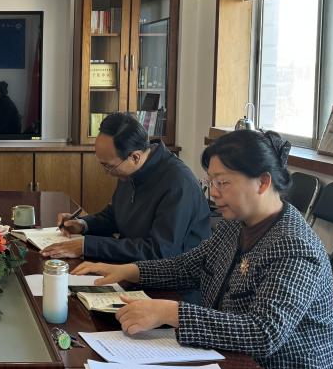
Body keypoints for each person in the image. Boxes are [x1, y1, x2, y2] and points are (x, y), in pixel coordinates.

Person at [74, 129, 333, 369]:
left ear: (263, 182)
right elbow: (189, 266)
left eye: (223, 183)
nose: (213, 194)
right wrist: (129, 270)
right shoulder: (236, 226)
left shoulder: (294, 247)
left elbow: (264, 332)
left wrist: (171, 312)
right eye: (211, 182)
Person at [42, 112, 210, 262]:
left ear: (135, 157)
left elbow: (160, 251)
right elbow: (115, 216)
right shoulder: (132, 169)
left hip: (171, 282)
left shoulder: (178, 184)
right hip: (131, 268)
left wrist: (87, 247)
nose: (106, 172)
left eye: (108, 166)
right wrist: (82, 224)